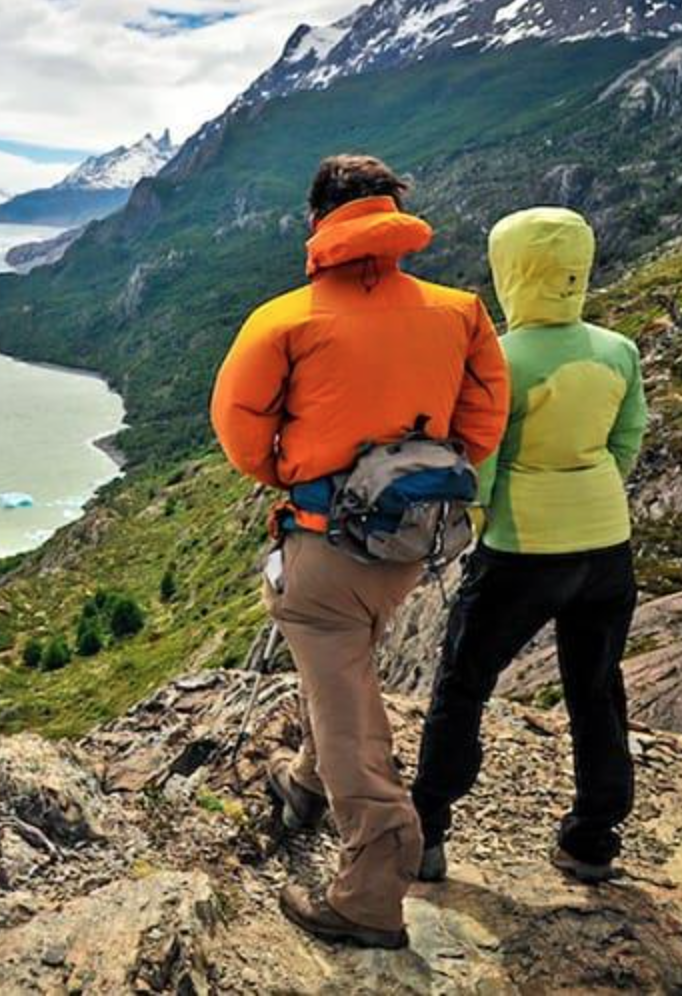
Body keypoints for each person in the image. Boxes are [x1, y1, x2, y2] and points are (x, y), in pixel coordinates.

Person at [211, 154, 509, 949]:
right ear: (394, 216)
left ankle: (372, 890)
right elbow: (483, 423)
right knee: (340, 663)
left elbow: (242, 435)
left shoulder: (284, 319)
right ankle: (307, 785)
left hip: (325, 546)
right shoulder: (461, 312)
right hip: (411, 541)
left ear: (318, 222)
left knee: (348, 710)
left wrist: (298, 474)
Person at [412, 207, 647, 886]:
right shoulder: (618, 350)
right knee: (597, 689)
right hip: (606, 546)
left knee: (463, 683)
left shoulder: (499, 358)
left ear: (510, 270)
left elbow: (480, 458)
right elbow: (626, 440)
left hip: (521, 545)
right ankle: (593, 838)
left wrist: (486, 520)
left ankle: (425, 828)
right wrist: (591, 490)